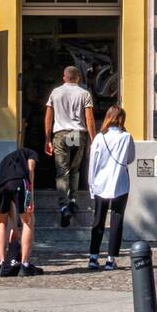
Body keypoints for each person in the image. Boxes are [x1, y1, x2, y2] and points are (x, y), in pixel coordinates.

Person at [43, 65, 96, 226]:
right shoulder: (84, 93)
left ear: (64, 77)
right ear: (78, 78)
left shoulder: (56, 92)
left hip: (61, 133)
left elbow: (48, 118)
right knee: (75, 169)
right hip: (78, 134)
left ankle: (64, 205)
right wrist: (94, 140)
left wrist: (47, 139)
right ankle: (73, 199)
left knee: (62, 171)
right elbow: (89, 119)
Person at [87, 105, 136, 270]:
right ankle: (110, 258)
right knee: (117, 220)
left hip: (100, 183)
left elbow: (92, 163)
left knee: (98, 220)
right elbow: (130, 158)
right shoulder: (126, 137)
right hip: (120, 182)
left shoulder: (100, 138)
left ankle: (93, 257)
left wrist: (91, 185)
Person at [0, 141, 41, 277]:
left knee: (1, 222)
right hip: (19, 181)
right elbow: (30, 169)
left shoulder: (6, 160)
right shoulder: (31, 153)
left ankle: (2, 264)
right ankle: (25, 265)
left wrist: (14, 227)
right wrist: (31, 196)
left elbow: (10, 193)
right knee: (28, 222)